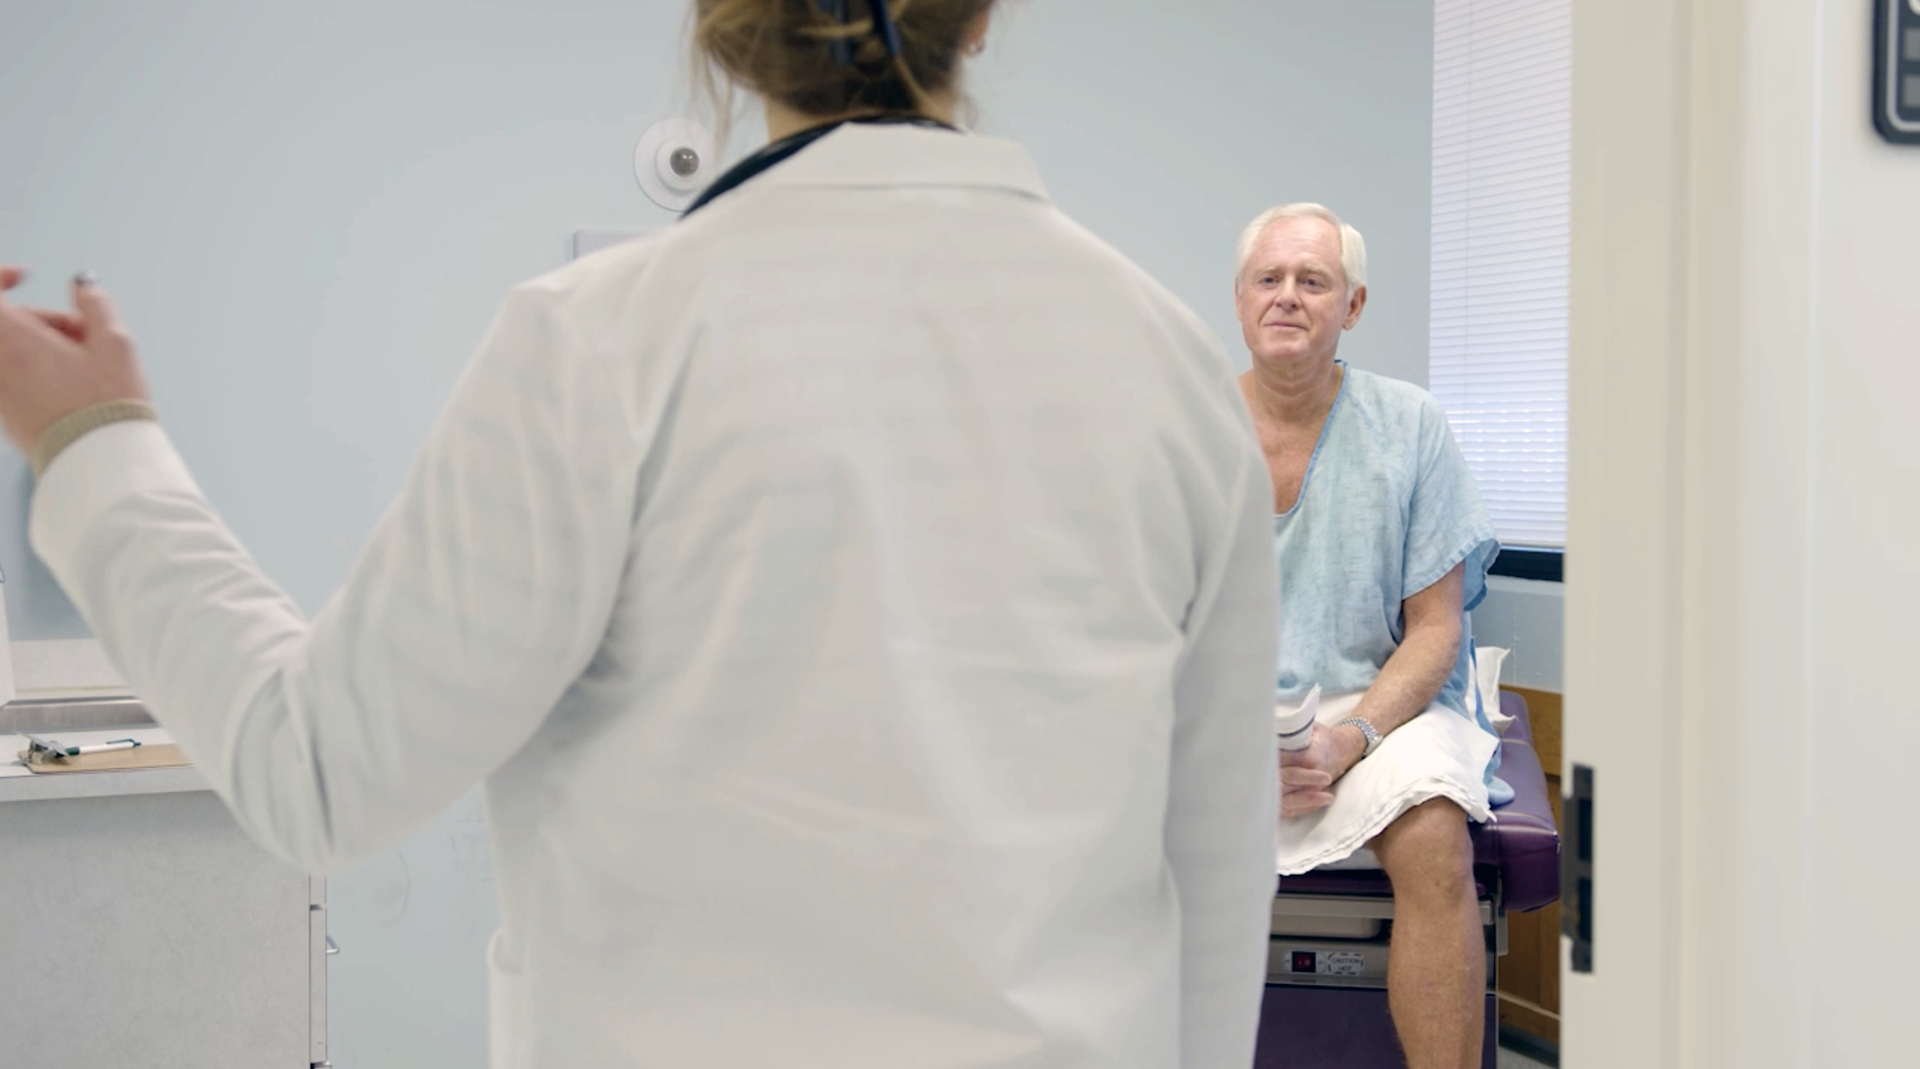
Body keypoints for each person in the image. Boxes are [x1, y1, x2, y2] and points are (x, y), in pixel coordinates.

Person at [0, 3, 1281, 1067]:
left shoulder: (600, 342)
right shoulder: (1169, 368)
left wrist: (97, 449)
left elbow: (322, 771)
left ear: (719, 28)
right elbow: (1222, 876)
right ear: (985, 18)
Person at [1234, 203, 1502, 1069]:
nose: (1287, 297)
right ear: (1239, 300)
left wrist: (1353, 736)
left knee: (1432, 835)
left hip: (1379, 703)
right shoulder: (1185, 423)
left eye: (1313, 281)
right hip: (1226, 715)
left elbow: (1435, 630)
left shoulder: (1410, 425)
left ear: (1351, 307)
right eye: (1267, 279)